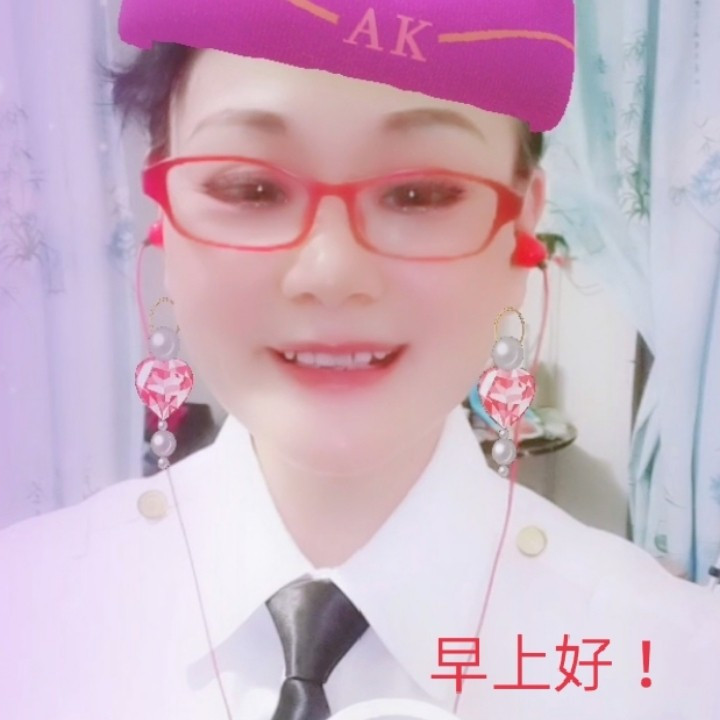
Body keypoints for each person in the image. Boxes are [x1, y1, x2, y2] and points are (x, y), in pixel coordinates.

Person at [1, 7, 719, 720]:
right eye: (250, 189)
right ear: (162, 210)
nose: (331, 271)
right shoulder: (27, 616)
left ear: (522, 227)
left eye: (420, 194)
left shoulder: (673, 670)